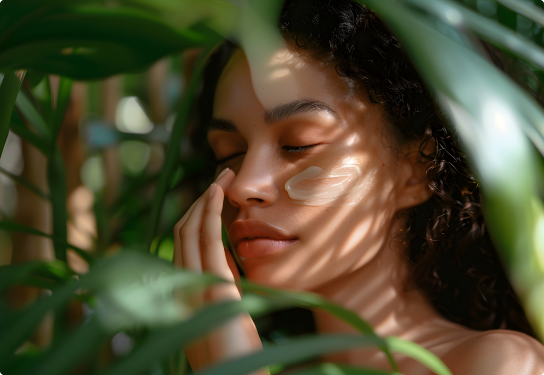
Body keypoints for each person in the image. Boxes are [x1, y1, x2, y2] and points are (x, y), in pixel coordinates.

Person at [174, 0, 544, 373]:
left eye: (298, 144)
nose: (243, 186)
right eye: (230, 153)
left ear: (416, 171)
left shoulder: (501, 364)